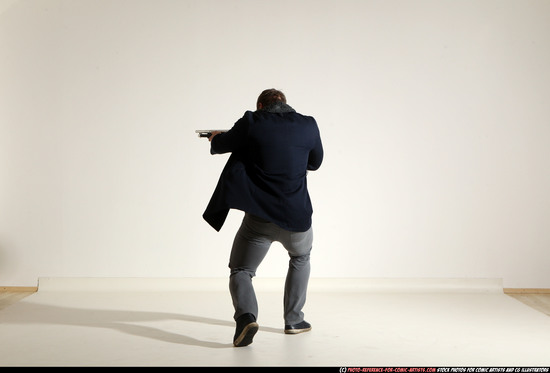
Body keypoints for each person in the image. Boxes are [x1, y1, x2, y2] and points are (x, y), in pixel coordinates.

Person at [202, 88, 323, 347]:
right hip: (297, 218)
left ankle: (246, 318)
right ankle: (294, 320)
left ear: (259, 105)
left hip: (259, 220)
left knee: (241, 270)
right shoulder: (308, 124)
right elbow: (314, 163)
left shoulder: (251, 122)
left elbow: (221, 145)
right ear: (285, 104)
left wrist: (215, 137)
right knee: (300, 257)